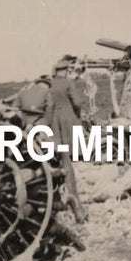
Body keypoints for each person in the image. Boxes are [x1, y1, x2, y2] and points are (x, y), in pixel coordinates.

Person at [47, 55, 88, 223]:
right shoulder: (69, 83)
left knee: (58, 139)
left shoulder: (50, 84)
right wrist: (78, 111)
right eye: (67, 70)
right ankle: (72, 163)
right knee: (72, 137)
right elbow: (76, 102)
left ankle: (62, 161)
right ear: (64, 71)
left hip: (54, 114)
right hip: (67, 113)